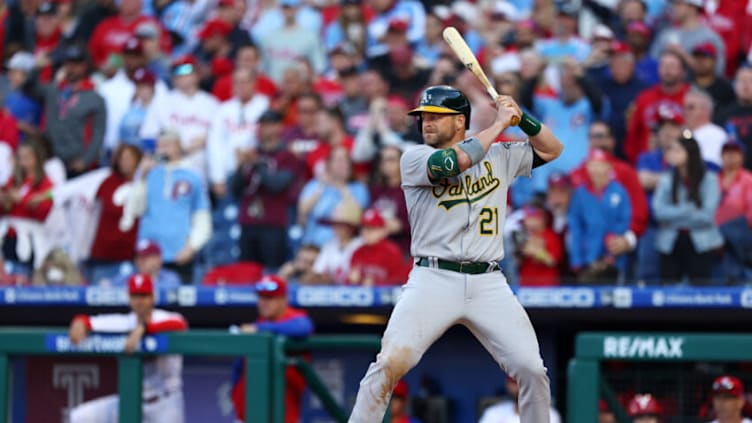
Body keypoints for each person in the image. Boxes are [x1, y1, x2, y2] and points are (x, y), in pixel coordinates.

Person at [347, 85, 562, 422]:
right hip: (433, 276)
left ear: (460, 120)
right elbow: (454, 162)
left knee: (531, 369)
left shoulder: (499, 156)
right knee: (390, 362)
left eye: (437, 117)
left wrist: (523, 119)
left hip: (488, 281)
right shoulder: (414, 157)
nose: (427, 123)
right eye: (424, 117)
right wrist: (500, 125)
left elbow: (552, 149)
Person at [67, 273, 187, 423]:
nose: (139, 301)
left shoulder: (167, 317)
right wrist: (80, 322)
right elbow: (88, 321)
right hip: (132, 400)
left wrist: (145, 328)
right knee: (80, 417)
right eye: (135, 296)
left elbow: (179, 324)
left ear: (153, 297)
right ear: (129, 299)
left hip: (165, 403)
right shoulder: (125, 321)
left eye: (144, 295)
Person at [121, 131, 212, 283]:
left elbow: (202, 217)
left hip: (179, 255)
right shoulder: (148, 173)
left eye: (167, 145)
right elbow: (134, 210)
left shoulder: (192, 175)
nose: (163, 149)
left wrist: (192, 247)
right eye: (160, 145)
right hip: (148, 255)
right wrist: (142, 178)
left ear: (178, 146)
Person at [230, 275, 314, 423]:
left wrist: (259, 329)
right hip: (248, 412)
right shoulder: (258, 323)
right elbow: (238, 367)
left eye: (270, 298)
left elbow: (303, 327)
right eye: (261, 298)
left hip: (283, 413)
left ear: (283, 299)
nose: (264, 303)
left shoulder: (295, 318)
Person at [231, 109, 303, 269]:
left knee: (272, 272)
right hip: (248, 222)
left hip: (273, 224)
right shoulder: (252, 152)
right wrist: (239, 167)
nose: (263, 129)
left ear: (279, 127)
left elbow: (277, 185)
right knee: (246, 272)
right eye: (262, 125)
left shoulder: (287, 156)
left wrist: (256, 164)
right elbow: (235, 191)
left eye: (269, 125)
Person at [652, 131, 723, 285]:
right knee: (668, 291)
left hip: (701, 243)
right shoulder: (666, 179)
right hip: (670, 241)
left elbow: (707, 217)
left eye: (677, 150)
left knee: (701, 291)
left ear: (690, 153)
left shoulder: (710, 179)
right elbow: (658, 212)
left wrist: (674, 217)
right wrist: (690, 210)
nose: (671, 154)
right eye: (671, 150)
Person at [567, 149, 632, 284]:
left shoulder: (619, 192)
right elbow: (576, 226)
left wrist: (612, 253)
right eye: (592, 164)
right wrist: (577, 258)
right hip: (588, 257)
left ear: (608, 167)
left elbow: (624, 221)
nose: (595, 169)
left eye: (600, 164)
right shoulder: (580, 193)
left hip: (613, 259)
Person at [86, 144, 143, 284]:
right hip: (104, 255)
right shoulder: (107, 181)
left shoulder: (145, 183)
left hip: (131, 256)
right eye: (122, 158)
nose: (125, 162)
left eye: (130, 158)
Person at [716, 140, 752, 283]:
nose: (730, 155)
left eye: (734, 152)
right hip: (713, 238)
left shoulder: (748, 179)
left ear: (742, 156)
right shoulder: (712, 179)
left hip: (739, 240)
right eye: (727, 152)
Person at [347, 208, 410, 286]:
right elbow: (349, 283)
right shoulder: (357, 252)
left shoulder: (391, 251)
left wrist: (376, 283)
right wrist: (352, 281)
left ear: (383, 230)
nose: (365, 232)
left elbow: (400, 281)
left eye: (371, 228)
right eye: (363, 228)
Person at [478, 376, 562, 423]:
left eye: (523, 382)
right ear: (508, 385)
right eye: (514, 382)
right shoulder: (494, 413)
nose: (519, 386)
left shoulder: (549, 415)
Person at [515, 206, 562, 287]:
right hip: (526, 284)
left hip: (546, 285)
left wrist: (537, 252)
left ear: (541, 220)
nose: (527, 223)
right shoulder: (524, 236)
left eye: (531, 219)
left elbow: (553, 261)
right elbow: (517, 262)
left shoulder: (551, 236)